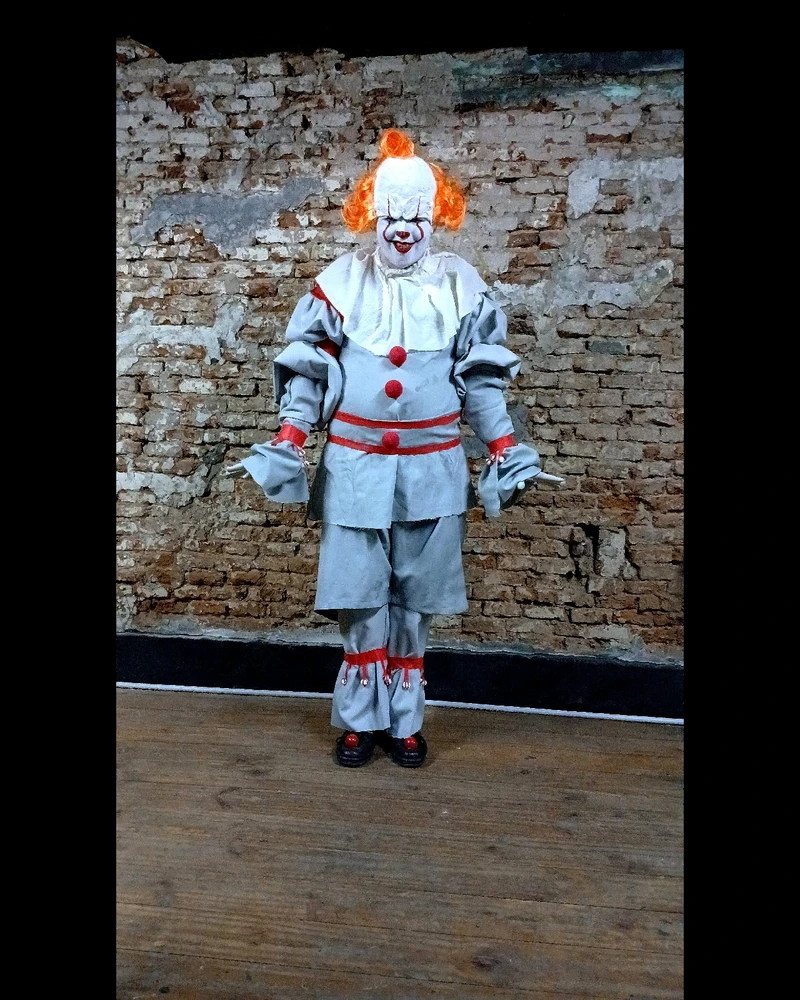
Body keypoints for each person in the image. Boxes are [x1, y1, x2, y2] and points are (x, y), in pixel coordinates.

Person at [225, 129, 563, 768]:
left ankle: (405, 720)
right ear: (372, 215)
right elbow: (310, 372)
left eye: (416, 218)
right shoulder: (340, 283)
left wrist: (504, 445)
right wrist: (291, 437)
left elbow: (481, 382)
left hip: (432, 471)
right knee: (359, 596)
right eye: (391, 218)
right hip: (355, 468)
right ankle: (359, 720)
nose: (403, 231)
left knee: (415, 603)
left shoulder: (463, 286)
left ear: (436, 216)